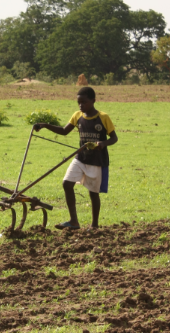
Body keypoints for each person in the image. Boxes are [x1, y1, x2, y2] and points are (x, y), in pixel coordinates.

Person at [33, 86, 118, 229]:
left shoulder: (103, 117)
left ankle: (94, 225)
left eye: (84, 102)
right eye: (79, 102)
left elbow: (114, 138)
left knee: (93, 193)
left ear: (93, 101)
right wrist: (45, 125)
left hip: (96, 161)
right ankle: (73, 221)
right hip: (80, 157)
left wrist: (103, 143)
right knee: (67, 183)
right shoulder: (77, 116)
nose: (81, 105)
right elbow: (64, 131)